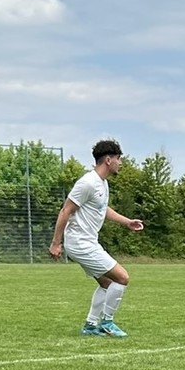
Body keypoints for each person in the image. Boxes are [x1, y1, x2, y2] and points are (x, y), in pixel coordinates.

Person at [49, 139, 144, 338]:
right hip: (80, 243)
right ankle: (107, 322)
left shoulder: (102, 183)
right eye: (118, 159)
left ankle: (91, 325)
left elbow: (102, 209)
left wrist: (127, 222)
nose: (120, 163)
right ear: (108, 160)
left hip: (87, 242)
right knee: (122, 277)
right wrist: (56, 243)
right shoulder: (88, 183)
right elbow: (66, 210)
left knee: (107, 283)